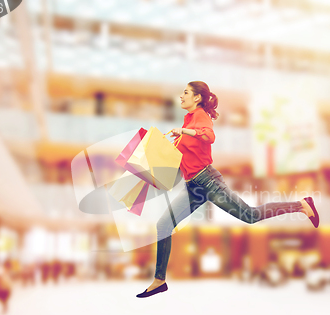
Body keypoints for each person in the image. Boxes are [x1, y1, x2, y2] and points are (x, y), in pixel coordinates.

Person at [136, 81, 320, 298]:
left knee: (250, 216)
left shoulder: (200, 116)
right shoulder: (188, 120)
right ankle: (159, 280)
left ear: (197, 98)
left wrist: (185, 131)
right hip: (192, 186)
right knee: (164, 225)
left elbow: (209, 136)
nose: (181, 96)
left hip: (208, 181)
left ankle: (301, 205)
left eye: (186, 93)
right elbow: (186, 158)